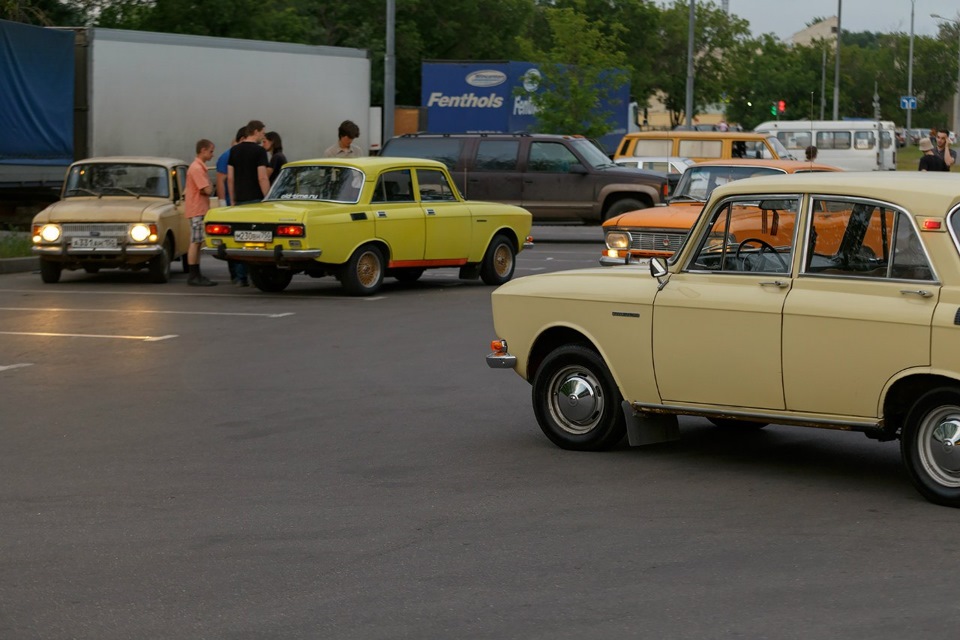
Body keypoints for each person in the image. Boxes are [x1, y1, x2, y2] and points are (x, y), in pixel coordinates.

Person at [227, 120, 270, 286]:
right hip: (256, 200)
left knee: (240, 237)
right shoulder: (259, 151)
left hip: (240, 200)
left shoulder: (234, 151)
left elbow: (230, 178)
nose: (263, 136)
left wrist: (233, 199)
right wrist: (268, 198)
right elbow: (262, 177)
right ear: (256, 132)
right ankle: (256, 274)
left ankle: (240, 277)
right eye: (262, 133)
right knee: (258, 238)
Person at [184, 139, 217, 286]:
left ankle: (196, 273)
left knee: (197, 242)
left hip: (198, 208)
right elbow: (207, 190)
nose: (212, 154)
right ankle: (193, 274)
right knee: (195, 242)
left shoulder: (199, 167)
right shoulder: (197, 168)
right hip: (197, 209)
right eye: (210, 151)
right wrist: (209, 185)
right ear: (203, 150)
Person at [216, 126, 247, 284]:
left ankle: (240, 276)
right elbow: (221, 180)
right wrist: (222, 203)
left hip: (240, 203)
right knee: (232, 240)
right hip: (231, 204)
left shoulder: (241, 155)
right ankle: (236, 275)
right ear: (242, 139)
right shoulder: (227, 156)